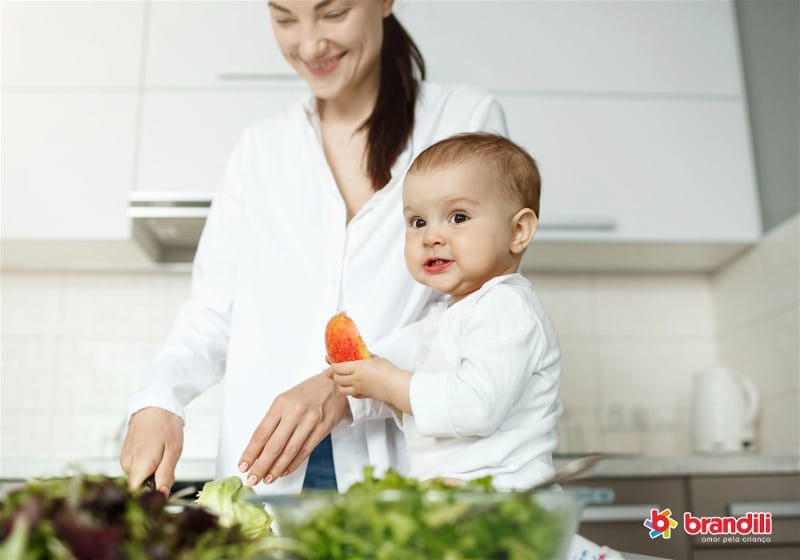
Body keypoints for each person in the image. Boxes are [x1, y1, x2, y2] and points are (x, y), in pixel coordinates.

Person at [120, 0, 507, 495]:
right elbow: (214, 308)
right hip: (267, 473)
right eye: (284, 18)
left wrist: (345, 387)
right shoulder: (262, 147)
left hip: (406, 467)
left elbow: (473, 310)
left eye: (333, 13)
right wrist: (159, 400)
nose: (308, 44)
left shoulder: (462, 120)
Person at [328, 132, 561, 490]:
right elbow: (432, 410)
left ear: (518, 231)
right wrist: (371, 385)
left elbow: (474, 407)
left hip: (507, 501)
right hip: (462, 500)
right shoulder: (449, 315)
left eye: (458, 217)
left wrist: (386, 380)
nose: (431, 236)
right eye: (418, 222)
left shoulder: (506, 307)